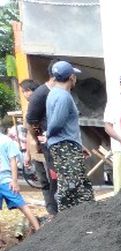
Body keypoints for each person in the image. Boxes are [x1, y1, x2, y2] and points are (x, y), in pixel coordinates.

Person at [44, 61, 94, 210]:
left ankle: (88, 211)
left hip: (68, 143)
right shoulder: (63, 97)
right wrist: (49, 135)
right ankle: (67, 216)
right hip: (64, 145)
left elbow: (63, 126)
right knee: (71, 183)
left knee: (79, 180)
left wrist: (78, 145)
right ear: (72, 77)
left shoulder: (53, 93)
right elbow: (57, 123)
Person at [21, 77, 57, 216]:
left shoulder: (43, 103)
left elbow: (35, 130)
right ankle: (51, 211)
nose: (25, 94)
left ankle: (56, 209)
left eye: (26, 91)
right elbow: (30, 134)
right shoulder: (29, 109)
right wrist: (28, 154)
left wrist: (39, 141)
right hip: (35, 152)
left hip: (46, 149)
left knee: (53, 180)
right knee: (43, 182)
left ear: (31, 91)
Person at [0, 124, 41, 234]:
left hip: (5, 180)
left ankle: (39, 230)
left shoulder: (5, 141)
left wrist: (14, 181)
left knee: (22, 205)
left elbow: (13, 161)